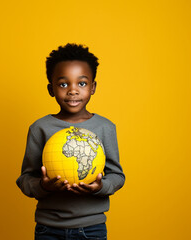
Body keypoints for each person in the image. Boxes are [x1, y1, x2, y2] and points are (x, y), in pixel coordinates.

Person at [16, 43, 125, 240]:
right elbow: (25, 180)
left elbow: (117, 176)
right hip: (48, 228)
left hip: (92, 228)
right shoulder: (40, 128)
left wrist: (100, 187)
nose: (72, 91)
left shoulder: (105, 127)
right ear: (51, 89)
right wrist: (43, 186)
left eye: (81, 83)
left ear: (93, 87)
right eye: (64, 84)